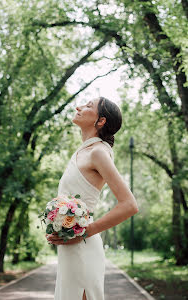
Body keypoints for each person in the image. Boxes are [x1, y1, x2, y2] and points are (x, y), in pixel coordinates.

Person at [46, 96, 139, 300]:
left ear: (101, 120)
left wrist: (84, 232)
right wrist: (57, 229)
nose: (79, 107)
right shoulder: (83, 151)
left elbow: (129, 205)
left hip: (83, 247)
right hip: (70, 248)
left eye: (89, 106)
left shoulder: (98, 152)